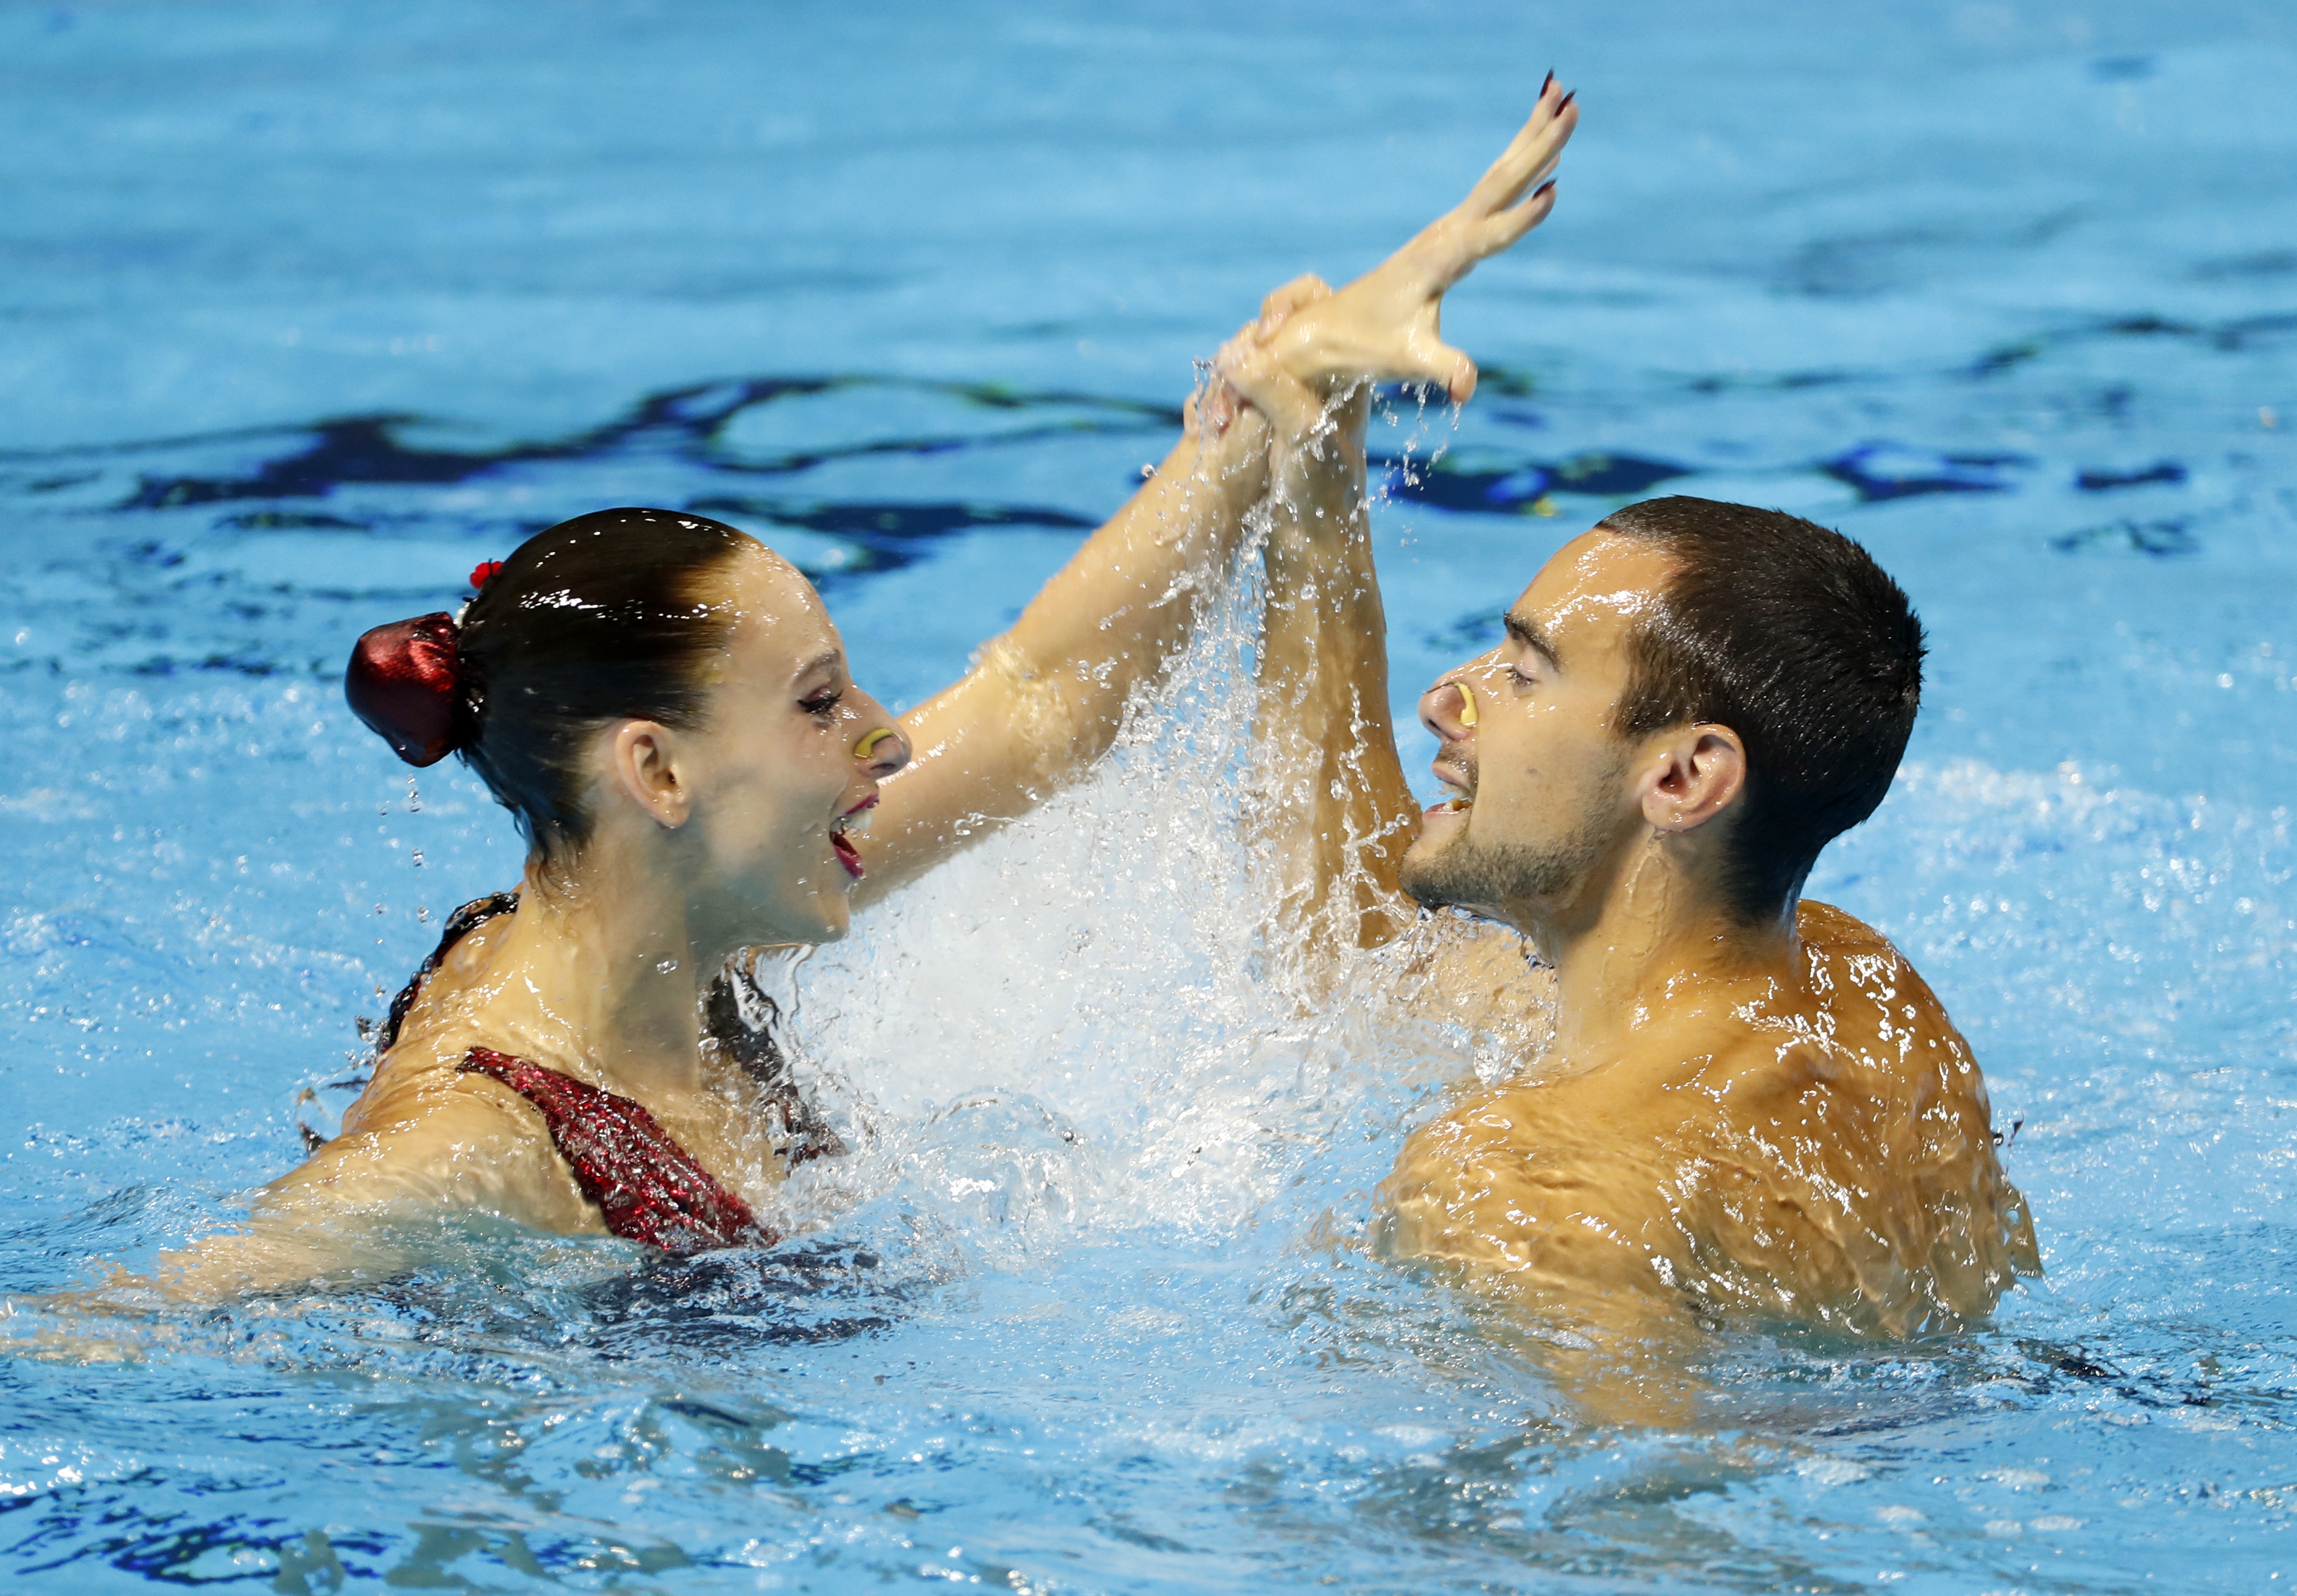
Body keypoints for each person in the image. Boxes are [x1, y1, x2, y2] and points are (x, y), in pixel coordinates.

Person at [82, 81, 1582, 1299]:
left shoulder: (679, 917)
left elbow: (1049, 692)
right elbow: (139, 1322)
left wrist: (1283, 402)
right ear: (657, 771)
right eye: (817, 703)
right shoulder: (474, 1138)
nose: (883, 732)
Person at [1213, 281, 2040, 1369]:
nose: (1447, 701)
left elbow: (1644, 1529)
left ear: (1687, 777)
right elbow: (1362, 948)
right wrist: (1316, 486)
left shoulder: (1517, 1185)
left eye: (1522, 671)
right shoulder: (1865, 997)